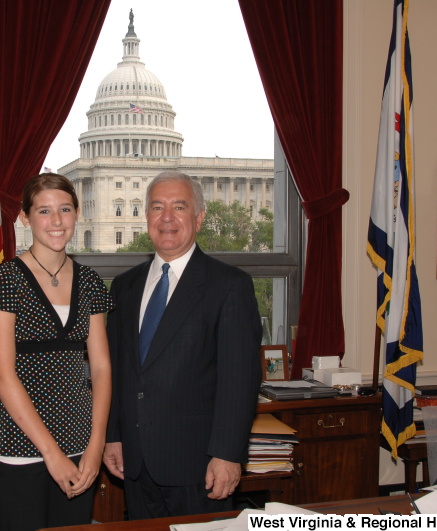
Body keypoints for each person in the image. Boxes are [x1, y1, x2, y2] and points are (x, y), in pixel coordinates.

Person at [103, 171, 262, 520]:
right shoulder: (124, 288)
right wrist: (112, 435)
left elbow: (240, 381)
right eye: (157, 207)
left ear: (199, 217)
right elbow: (117, 371)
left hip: (200, 466)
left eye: (179, 206)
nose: (167, 217)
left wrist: (227, 454)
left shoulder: (229, 286)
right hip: (134, 461)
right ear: (146, 217)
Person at [0, 173, 112, 531]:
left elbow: (101, 369)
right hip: (19, 446)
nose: (56, 221)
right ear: (25, 217)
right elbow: (2, 376)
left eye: (64, 209)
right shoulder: (5, 280)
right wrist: (52, 454)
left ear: (77, 213)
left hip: (80, 443)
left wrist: (96, 445)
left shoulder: (91, 282)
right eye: (44, 211)